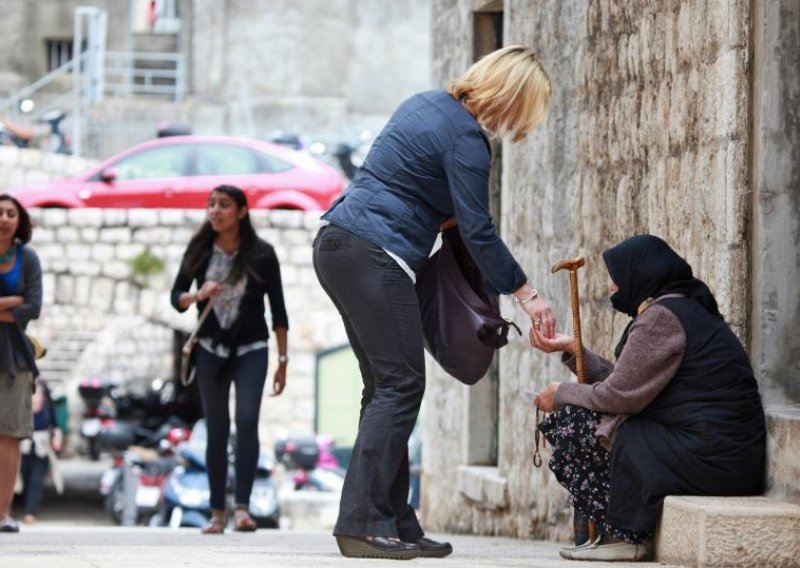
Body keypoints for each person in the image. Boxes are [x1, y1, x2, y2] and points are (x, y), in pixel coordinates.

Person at [313, 45, 554, 560]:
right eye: (522, 110)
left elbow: (413, 189)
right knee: (400, 385)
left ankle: (395, 522)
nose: (514, 123)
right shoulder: (468, 138)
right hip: (372, 253)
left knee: (384, 387)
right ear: (510, 97)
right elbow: (479, 229)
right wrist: (527, 295)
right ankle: (361, 522)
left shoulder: (424, 105)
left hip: (338, 243)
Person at [531, 234, 766, 562]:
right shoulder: (677, 309)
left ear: (639, 274)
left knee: (575, 423)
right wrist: (574, 352)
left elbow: (619, 396)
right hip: (723, 454)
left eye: (616, 278)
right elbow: (628, 384)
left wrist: (560, 394)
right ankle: (621, 531)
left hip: (715, 456)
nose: (612, 288)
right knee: (592, 418)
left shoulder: (662, 318)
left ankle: (627, 534)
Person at [171, 185, 289, 534]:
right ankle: (217, 513)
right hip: (210, 348)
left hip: (252, 347)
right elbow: (175, 297)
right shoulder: (199, 250)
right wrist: (198, 294)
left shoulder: (262, 254)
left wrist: (283, 361)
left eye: (223, 205)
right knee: (217, 429)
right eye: (211, 205)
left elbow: (279, 311)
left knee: (248, 420)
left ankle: (243, 509)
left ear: (241, 211)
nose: (215, 211)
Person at [0, 194, 43, 533]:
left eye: (10, 213)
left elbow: (33, 306)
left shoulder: (27, 258)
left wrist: (15, 306)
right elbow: (22, 303)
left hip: (14, 354)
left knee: (10, 435)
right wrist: (12, 303)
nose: (3, 218)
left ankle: (2, 513)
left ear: (20, 220)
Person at [18, 378, 64, 524]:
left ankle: (31, 512)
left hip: (41, 447)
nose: (36, 395)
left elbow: (55, 426)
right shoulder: (20, 407)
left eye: (38, 392)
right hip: (23, 446)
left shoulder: (47, 409)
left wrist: (57, 439)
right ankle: (19, 507)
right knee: (22, 478)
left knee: (36, 480)